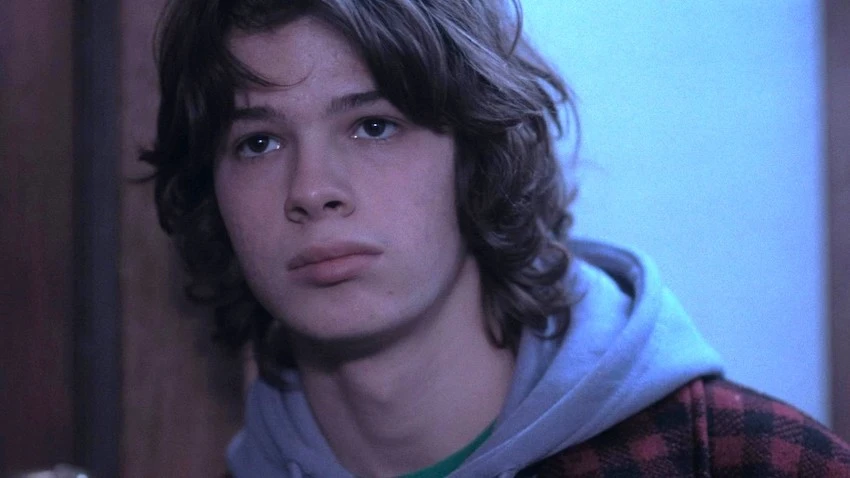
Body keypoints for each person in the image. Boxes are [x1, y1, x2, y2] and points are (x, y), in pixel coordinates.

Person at [141, 0, 850, 476]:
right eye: (259, 142)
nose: (311, 188)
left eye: (374, 126)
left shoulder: (747, 462)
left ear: (477, 154)